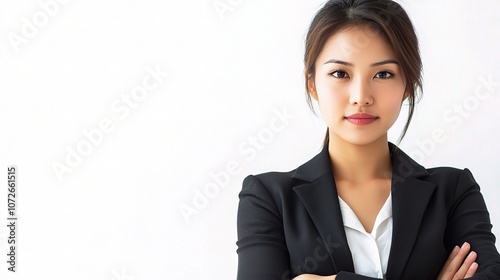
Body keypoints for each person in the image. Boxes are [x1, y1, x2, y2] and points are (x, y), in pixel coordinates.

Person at [236, 0, 500, 279]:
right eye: (340, 73)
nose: (361, 95)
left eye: (383, 74)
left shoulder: (453, 191)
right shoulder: (268, 198)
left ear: (407, 84)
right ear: (312, 83)